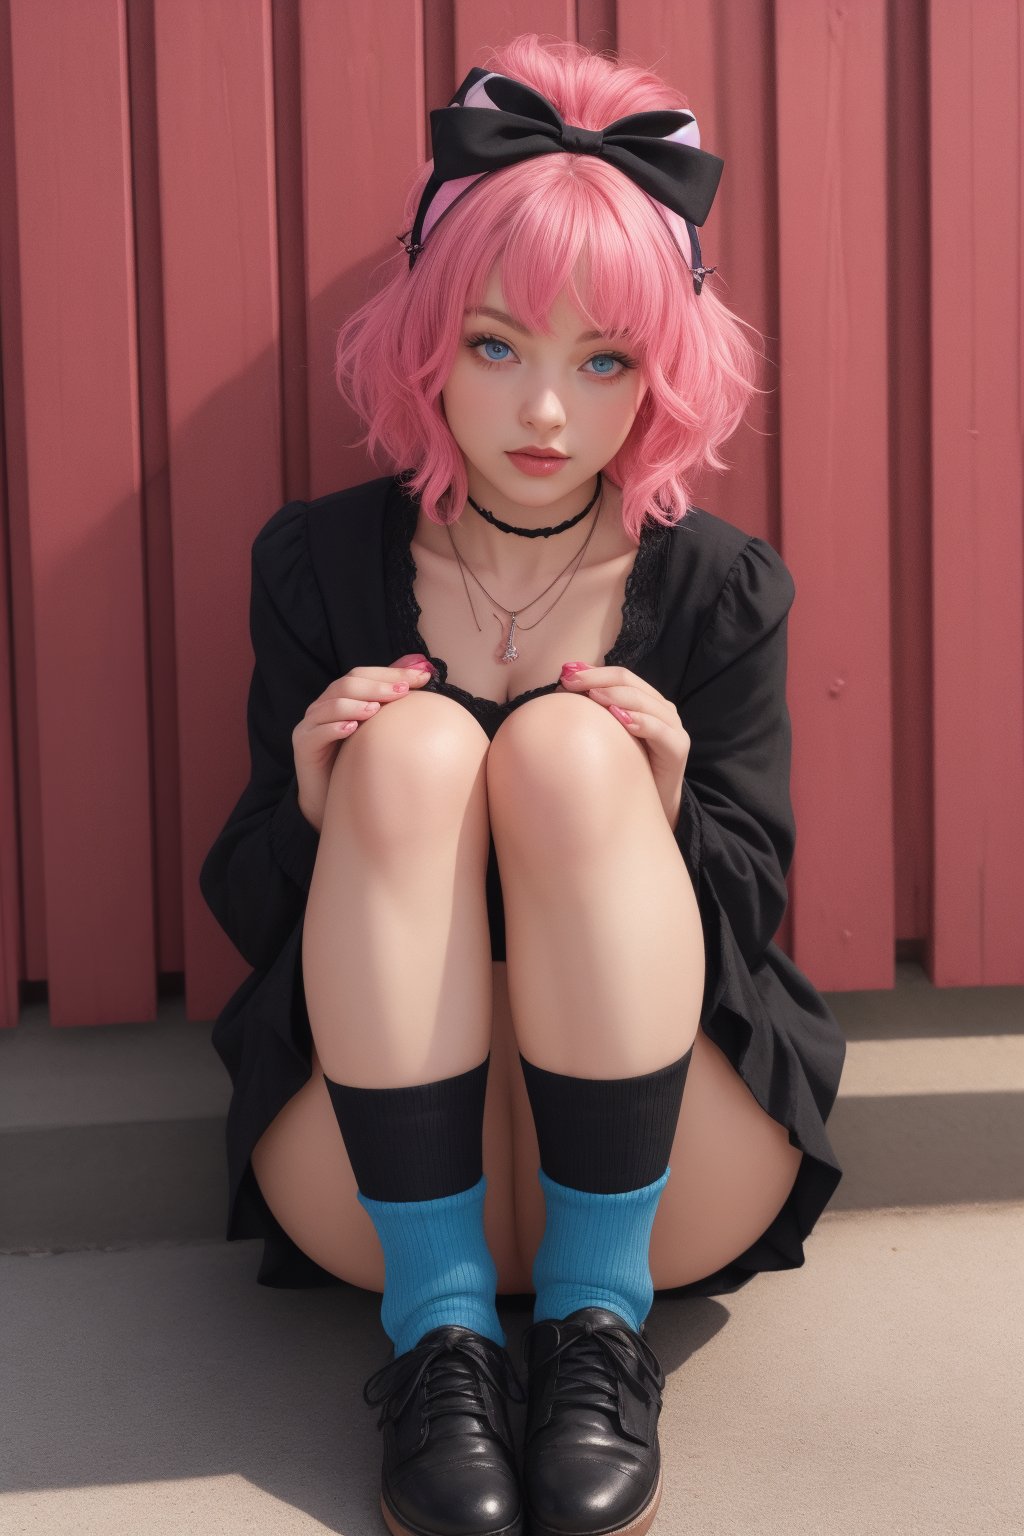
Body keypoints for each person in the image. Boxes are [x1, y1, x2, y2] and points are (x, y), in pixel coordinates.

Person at [199, 33, 846, 1536]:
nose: (547, 415)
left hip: (661, 1173)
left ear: (663, 371)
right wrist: (311, 805)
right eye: (499, 347)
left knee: (568, 744)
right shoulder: (316, 565)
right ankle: (439, 1345)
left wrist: (670, 798)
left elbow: (749, 914)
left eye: (602, 361)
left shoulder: (720, 591)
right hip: (380, 1180)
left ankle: (598, 1335)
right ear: (428, 339)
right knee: (414, 746)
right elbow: (250, 913)